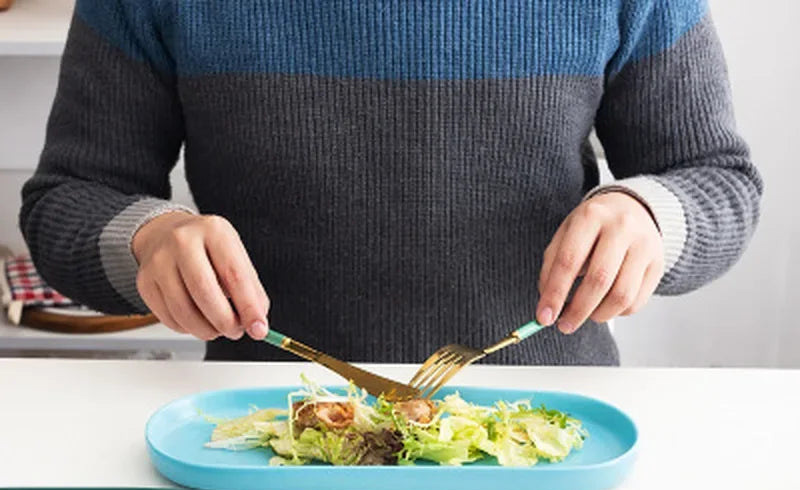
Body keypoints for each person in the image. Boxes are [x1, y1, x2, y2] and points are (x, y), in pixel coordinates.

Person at [20, 0, 762, 366]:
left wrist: (649, 216)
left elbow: (717, 178)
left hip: (550, 431)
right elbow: (68, 198)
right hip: (261, 434)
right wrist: (150, 238)